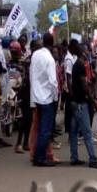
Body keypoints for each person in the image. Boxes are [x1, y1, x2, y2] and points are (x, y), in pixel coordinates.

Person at [66, 40, 97, 169]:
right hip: (81, 103)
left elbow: (76, 83)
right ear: (83, 52)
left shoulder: (77, 65)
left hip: (75, 102)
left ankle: (74, 157)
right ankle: (92, 159)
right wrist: (93, 102)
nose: (89, 52)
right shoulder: (80, 65)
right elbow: (84, 87)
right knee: (87, 132)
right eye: (87, 50)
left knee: (73, 131)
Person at [30, 32, 59, 167]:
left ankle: (37, 156)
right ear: (52, 44)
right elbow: (53, 82)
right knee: (45, 130)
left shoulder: (35, 54)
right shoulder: (50, 59)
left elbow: (32, 74)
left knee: (40, 127)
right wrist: (55, 97)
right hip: (47, 98)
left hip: (36, 96)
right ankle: (39, 158)